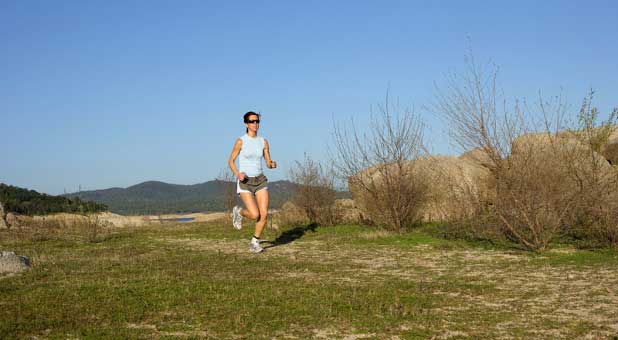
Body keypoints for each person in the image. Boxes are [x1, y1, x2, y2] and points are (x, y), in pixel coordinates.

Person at [227, 111, 277, 253]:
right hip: (245, 181)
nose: (255, 124)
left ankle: (254, 242)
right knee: (255, 214)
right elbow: (230, 161)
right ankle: (239, 212)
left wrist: (272, 164)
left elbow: (267, 162)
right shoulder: (240, 141)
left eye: (257, 121)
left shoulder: (263, 141)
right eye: (251, 121)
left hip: (260, 180)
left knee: (264, 214)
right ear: (246, 124)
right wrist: (238, 173)